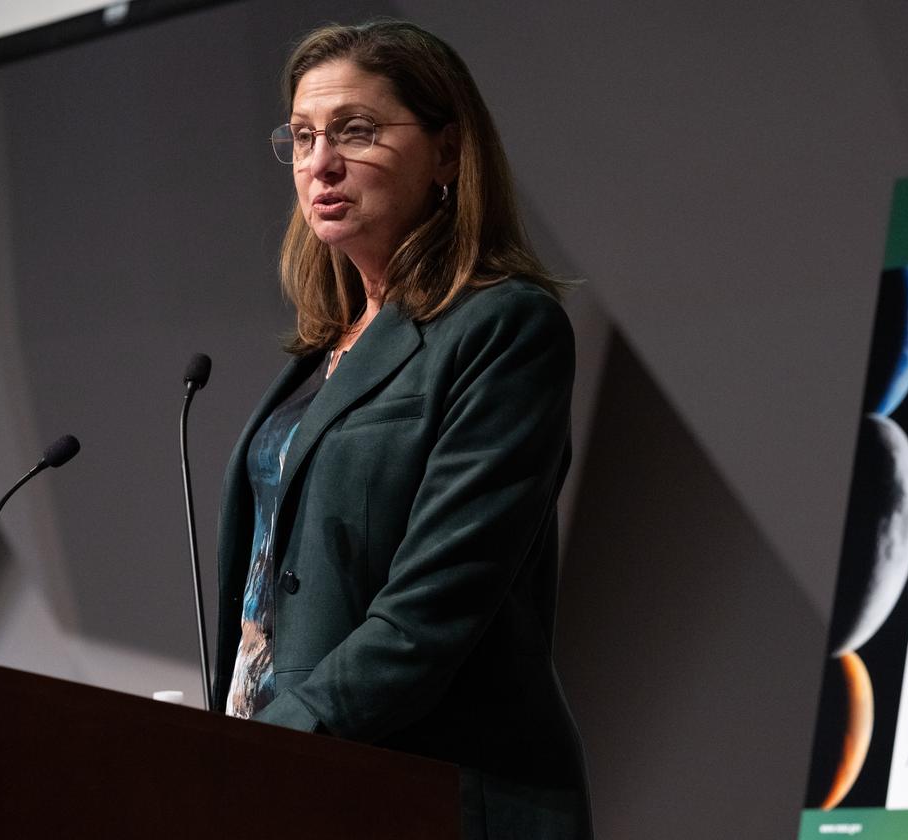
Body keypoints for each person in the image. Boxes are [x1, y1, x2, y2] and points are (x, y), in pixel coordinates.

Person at [211, 19, 591, 839]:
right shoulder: (323, 350)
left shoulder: (503, 329)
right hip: (297, 781)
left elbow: (433, 609)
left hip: (431, 790)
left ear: (449, 152)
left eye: (356, 131)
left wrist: (281, 738)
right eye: (304, 137)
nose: (320, 162)